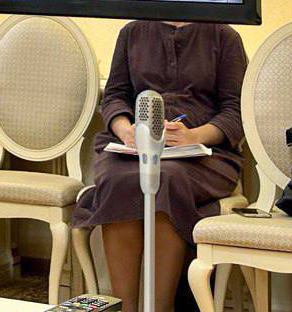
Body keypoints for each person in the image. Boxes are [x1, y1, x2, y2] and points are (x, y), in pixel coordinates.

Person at [74, 21, 248, 312]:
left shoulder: (224, 36)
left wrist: (195, 136)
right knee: (120, 180)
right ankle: (125, 308)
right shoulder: (132, 32)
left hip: (204, 154)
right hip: (133, 146)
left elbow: (235, 110)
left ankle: (161, 307)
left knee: (165, 180)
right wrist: (126, 131)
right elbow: (115, 96)